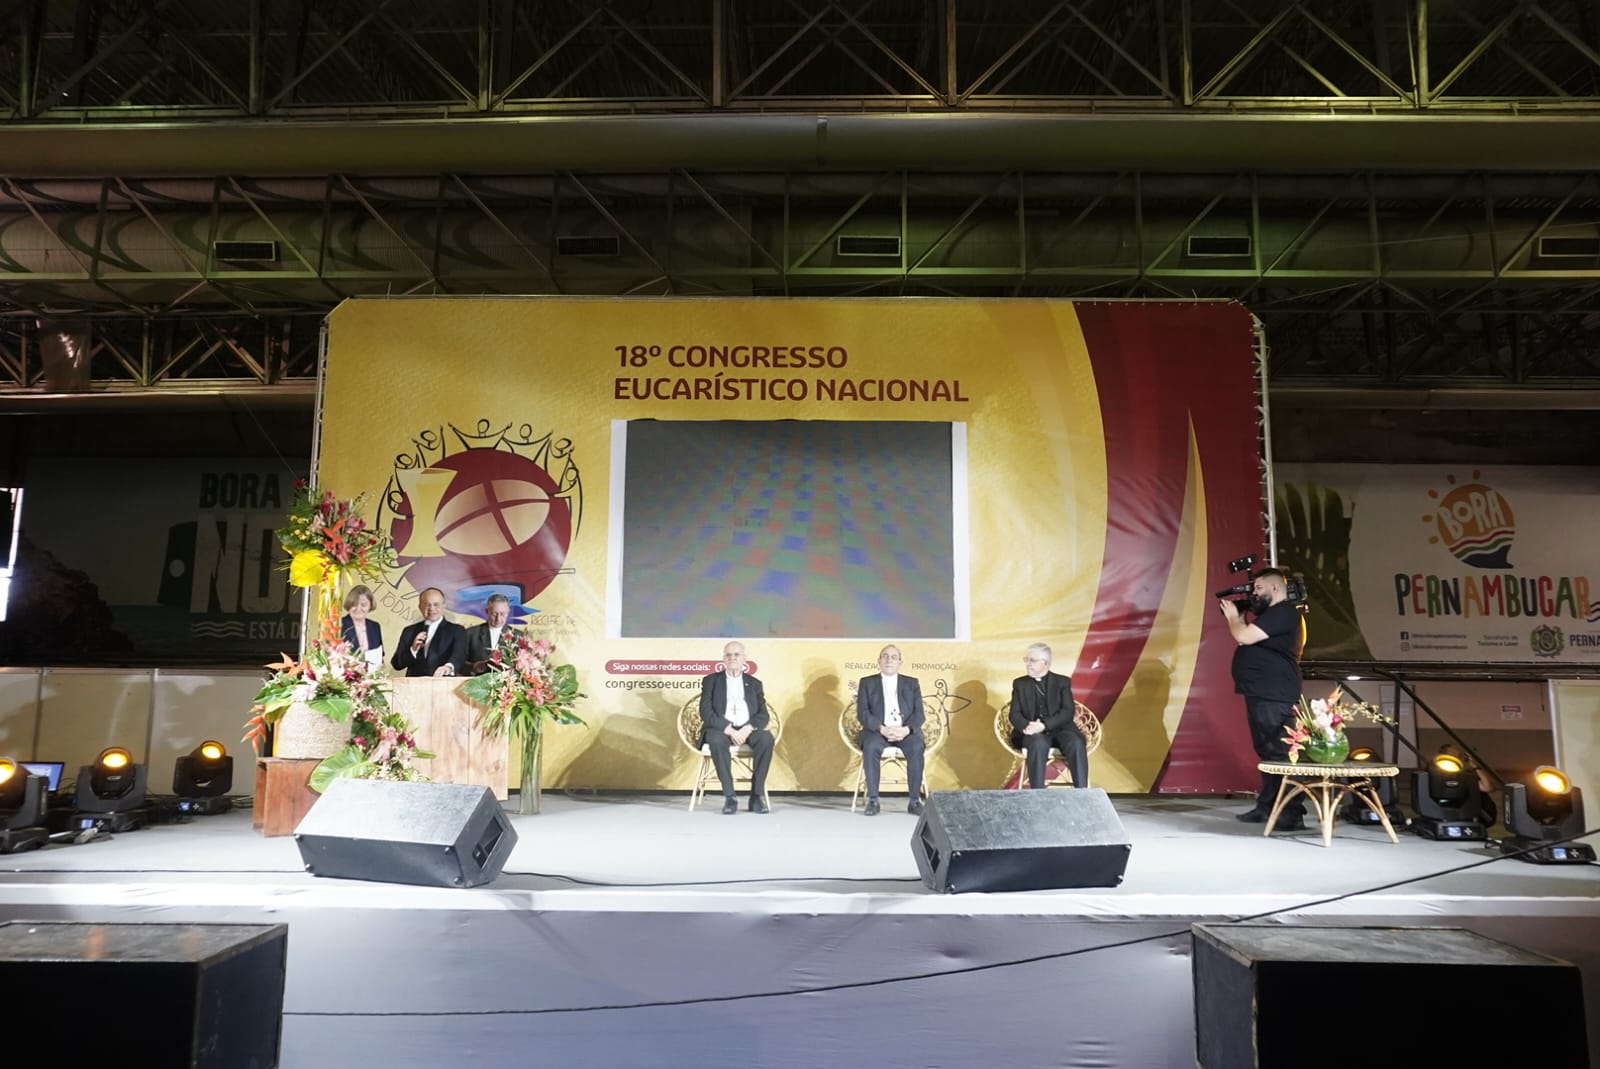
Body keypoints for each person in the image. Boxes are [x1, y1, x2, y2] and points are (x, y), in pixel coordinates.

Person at [1221, 567, 1307, 832]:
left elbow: (1243, 636)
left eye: (1259, 588)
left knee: (1280, 752)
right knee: (1267, 751)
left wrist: (1233, 618)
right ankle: (1267, 805)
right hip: (1261, 692)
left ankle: (1291, 812)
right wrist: (1241, 617)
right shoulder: (1271, 615)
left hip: (1275, 693)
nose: (1254, 593)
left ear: (1275, 588)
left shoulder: (1284, 612)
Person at [697, 641, 775, 815]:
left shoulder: (754, 683)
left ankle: (756, 796)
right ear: (723, 658)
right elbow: (706, 712)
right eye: (728, 655)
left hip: (747, 730)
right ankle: (730, 797)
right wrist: (729, 730)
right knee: (716, 740)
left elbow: (763, 715)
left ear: (744, 658)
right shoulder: (711, 680)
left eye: (736, 654)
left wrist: (748, 729)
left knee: (766, 739)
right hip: (721, 730)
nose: (732, 658)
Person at [855, 644, 925, 816]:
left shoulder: (912, 683)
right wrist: (881, 728)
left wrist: (906, 730)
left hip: (904, 732)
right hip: (877, 732)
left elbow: (919, 714)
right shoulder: (867, 683)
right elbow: (863, 713)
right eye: (885, 656)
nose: (889, 660)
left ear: (900, 662)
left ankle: (914, 801)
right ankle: (873, 800)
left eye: (894, 657)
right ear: (878, 661)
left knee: (916, 747)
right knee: (870, 747)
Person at [1008, 642, 1089, 789]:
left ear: (1045, 663)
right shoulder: (1020, 684)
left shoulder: (1062, 682)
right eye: (1027, 660)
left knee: (1075, 742)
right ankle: (1037, 793)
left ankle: (1082, 792)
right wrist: (1027, 727)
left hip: (1060, 729)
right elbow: (1014, 714)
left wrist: (1044, 725)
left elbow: (1067, 711)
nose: (1028, 664)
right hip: (1032, 733)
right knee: (1038, 743)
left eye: (1032, 660)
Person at [391, 587, 467, 678]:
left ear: (444, 606)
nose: (431, 608)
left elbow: (459, 656)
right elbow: (397, 664)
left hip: (443, 683)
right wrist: (413, 650)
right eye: (427, 604)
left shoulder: (457, 630)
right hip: (414, 685)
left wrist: (448, 667)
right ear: (420, 607)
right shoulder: (409, 631)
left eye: (436, 604)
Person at [465, 593, 516, 674]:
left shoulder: (517, 636)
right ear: (487, 611)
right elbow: (459, 662)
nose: (498, 619)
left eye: (502, 614)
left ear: (508, 612)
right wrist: (473, 667)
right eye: (494, 614)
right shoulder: (471, 634)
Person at [338, 584, 384, 669]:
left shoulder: (375, 626)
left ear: (370, 606)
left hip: (372, 674)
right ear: (349, 604)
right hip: (345, 674)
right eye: (354, 604)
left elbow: (380, 656)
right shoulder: (339, 624)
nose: (358, 608)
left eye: (363, 605)